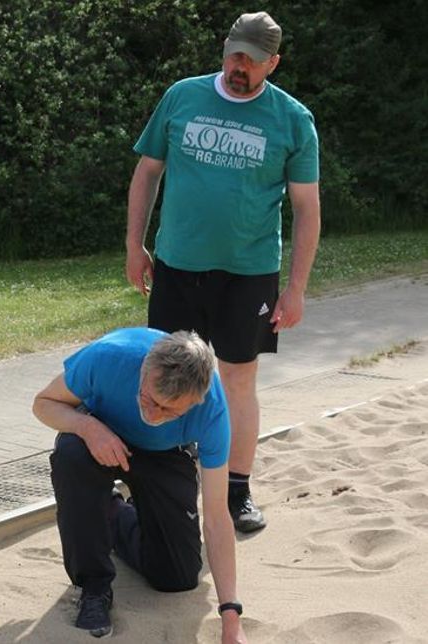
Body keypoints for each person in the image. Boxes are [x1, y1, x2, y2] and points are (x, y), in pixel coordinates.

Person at [125, 11, 321, 533]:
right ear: (225, 49)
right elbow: (148, 171)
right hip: (177, 266)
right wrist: (134, 245)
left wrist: (296, 288)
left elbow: (306, 208)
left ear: (272, 64)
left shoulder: (292, 119)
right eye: (235, 55)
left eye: (252, 61)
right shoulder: (182, 96)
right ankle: (161, 482)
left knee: (238, 378)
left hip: (249, 273)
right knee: (164, 373)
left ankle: (237, 490)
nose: (240, 67)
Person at [33, 327, 246, 642]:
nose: (153, 413)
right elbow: (43, 403)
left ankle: (113, 511)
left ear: (195, 401)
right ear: (144, 370)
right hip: (101, 435)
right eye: (149, 398)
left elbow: (216, 518)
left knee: (177, 576)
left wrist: (231, 617)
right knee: (71, 457)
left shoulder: (213, 410)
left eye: (169, 409)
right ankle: (93, 588)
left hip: (165, 452)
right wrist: (86, 426)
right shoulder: (107, 357)